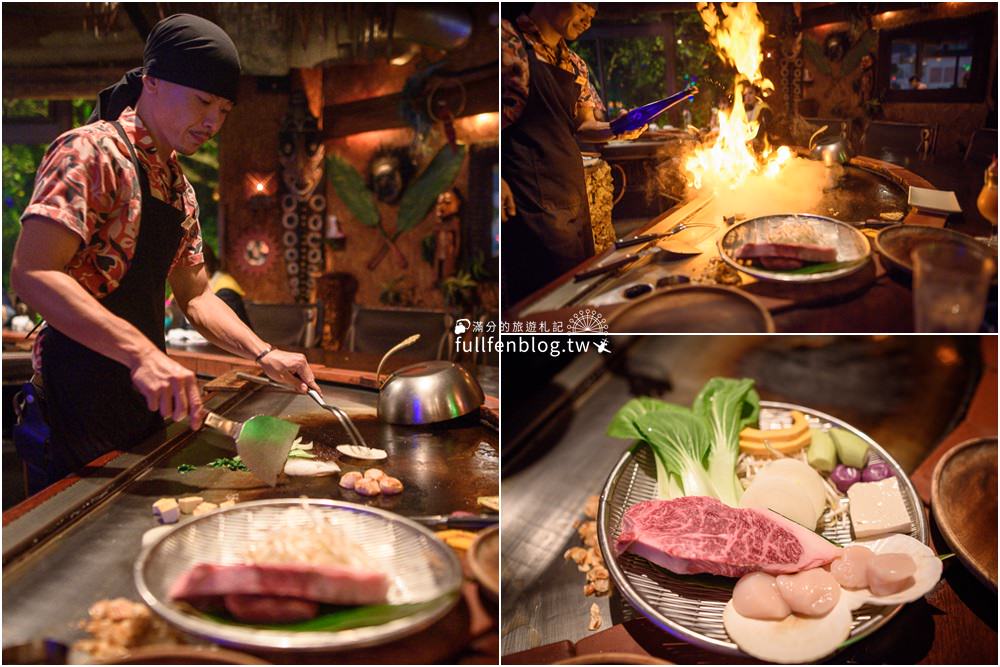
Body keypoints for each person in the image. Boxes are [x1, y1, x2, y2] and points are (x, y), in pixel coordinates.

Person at [9, 14, 320, 489]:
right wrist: (141, 353)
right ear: (152, 82)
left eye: (224, 109)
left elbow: (196, 297)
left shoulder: (180, 190)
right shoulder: (89, 154)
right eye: (203, 101)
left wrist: (264, 352)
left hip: (140, 404)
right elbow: (33, 272)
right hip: (71, 405)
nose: (213, 121)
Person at [500, 3, 646, 305]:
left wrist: (618, 128)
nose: (587, 21)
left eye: (593, 15)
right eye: (583, 7)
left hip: (570, 195)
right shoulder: (507, 42)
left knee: (578, 290)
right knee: (544, 300)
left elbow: (585, 125)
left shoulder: (574, 63)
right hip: (529, 197)